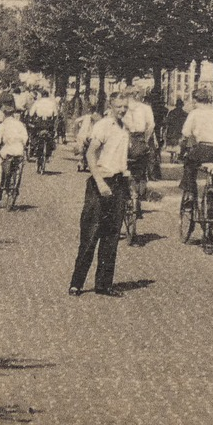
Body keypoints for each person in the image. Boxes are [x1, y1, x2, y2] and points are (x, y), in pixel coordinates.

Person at [69, 93, 131, 297]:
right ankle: (76, 283)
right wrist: (100, 182)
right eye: (119, 106)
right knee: (90, 234)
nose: (122, 110)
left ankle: (104, 284)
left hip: (119, 184)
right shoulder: (104, 125)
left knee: (112, 236)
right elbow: (90, 154)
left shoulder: (124, 128)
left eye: (125, 107)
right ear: (111, 106)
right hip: (101, 184)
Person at [179, 87, 213, 208]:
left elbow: (186, 133)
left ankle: (191, 194)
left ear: (195, 101)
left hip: (203, 149)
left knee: (189, 164)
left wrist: (182, 150)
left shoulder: (194, 113)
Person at [122, 88, 157, 206]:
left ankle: (126, 195)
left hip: (124, 140)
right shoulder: (145, 108)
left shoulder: (121, 108)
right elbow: (151, 126)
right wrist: (145, 140)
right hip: (140, 140)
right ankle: (138, 196)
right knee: (141, 169)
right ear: (136, 95)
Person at [0, 105, 29, 208]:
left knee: (0, 165)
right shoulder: (20, 124)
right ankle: (14, 186)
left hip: (7, 150)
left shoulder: (3, 125)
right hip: (19, 151)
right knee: (18, 168)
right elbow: (25, 139)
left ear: (4, 114)